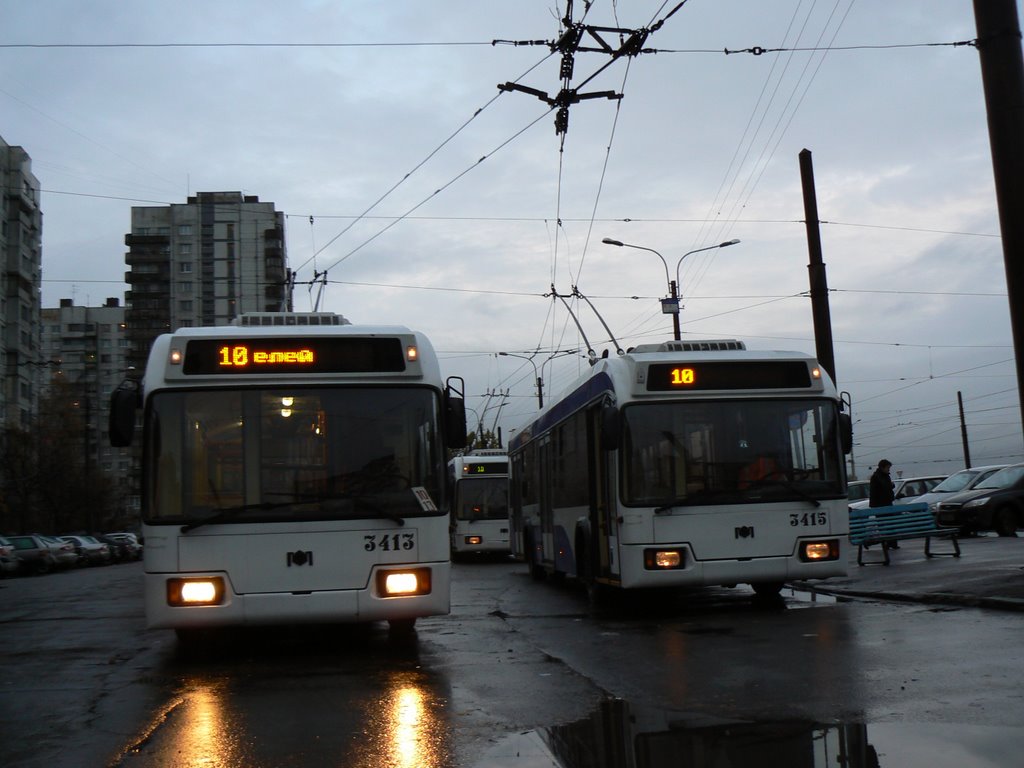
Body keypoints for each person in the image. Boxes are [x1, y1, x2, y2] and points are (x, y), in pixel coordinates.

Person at [869, 458, 898, 548]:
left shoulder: (882, 476)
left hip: (885, 503)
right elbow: (882, 488)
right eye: (888, 468)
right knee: (885, 524)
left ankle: (891, 543)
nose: (889, 470)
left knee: (889, 524)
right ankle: (888, 542)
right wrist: (891, 485)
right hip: (881, 504)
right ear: (883, 467)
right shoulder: (877, 477)